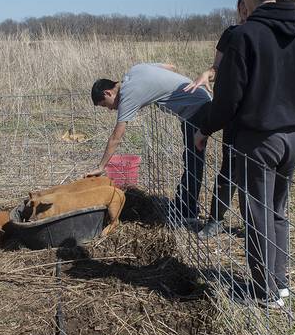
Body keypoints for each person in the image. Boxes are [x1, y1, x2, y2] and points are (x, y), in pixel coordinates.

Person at [195, 0, 295, 308]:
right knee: (277, 211)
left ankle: (264, 292)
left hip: (258, 139)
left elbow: (228, 97)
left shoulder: (245, 36)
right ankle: (280, 283)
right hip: (293, 136)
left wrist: (205, 128)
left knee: (257, 213)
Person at [88, 63, 211, 223]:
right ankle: (183, 205)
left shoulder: (128, 95)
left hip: (197, 109)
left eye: (105, 105)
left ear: (108, 92)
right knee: (191, 160)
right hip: (198, 100)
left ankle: (187, 212)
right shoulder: (134, 70)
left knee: (193, 162)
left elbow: (116, 137)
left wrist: (101, 166)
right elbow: (171, 67)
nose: (110, 109)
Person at [183, 0, 249, 239]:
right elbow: (216, 67)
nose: (244, 11)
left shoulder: (265, 34)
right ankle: (215, 219)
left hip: (257, 114)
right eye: (240, 6)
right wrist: (207, 74)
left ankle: (252, 225)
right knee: (229, 168)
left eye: (247, 6)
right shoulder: (231, 33)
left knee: (254, 176)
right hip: (232, 112)